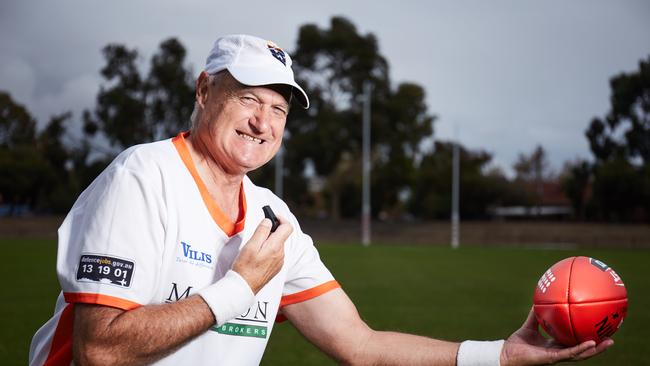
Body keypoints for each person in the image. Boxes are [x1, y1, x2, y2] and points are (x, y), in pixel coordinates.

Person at [29, 34, 612, 366]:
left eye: (279, 108)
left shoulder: (274, 220)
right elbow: (100, 350)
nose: (263, 122)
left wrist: (500, 357)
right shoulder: (143, 176)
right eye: (249, 98)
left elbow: (361, 345)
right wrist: (239, 288)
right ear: (205, 90)